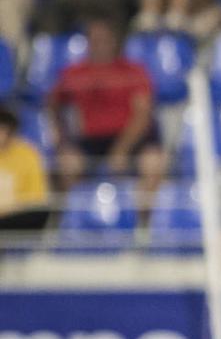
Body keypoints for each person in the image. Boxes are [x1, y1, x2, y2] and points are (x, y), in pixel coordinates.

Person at [47, 15, 166, 203]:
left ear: (114, 42)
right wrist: (62, 136)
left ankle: (142, 224)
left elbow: (143, 114)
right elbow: (53, 104)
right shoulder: (74, 73)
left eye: (104, 39)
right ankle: (78, 218)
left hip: (130, 141)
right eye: (94, 40)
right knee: (67, 163)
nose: (99, 44)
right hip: (90, 141)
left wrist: (121, 150)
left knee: (154, 162)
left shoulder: (134, 71)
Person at [0, 105, 50, 238]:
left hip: (16, 215)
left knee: (39, 214)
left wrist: (10, 207)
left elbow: (35, 197)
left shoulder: (27, 153)